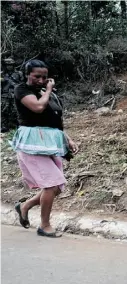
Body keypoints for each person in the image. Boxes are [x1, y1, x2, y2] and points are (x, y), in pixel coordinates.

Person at [11, 60, 79, 238]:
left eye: (44, 77)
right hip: (32, 143)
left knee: (57, 186)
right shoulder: (22, 90)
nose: (41, 80)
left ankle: (25, 206)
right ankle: (44, 225)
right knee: (51, 185)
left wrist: (67, 139)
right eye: (37, 76)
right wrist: (48, 91)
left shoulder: (45, 93)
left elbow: (53, 119)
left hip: (50, 143)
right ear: (28, 75)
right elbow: (38, 107)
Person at [1, 57, 25, 132]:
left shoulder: (19, 73)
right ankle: (4, 126)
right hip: (5, 95)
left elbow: (23, 84)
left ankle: (19, 126)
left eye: (11, 65)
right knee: (4, 110)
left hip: (15, 94)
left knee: (17, 111)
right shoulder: (2, 74)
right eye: (7, 65)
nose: (9, 66)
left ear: (13, 65)